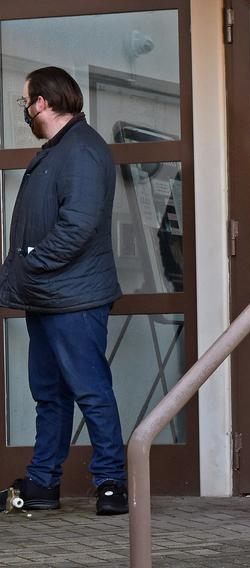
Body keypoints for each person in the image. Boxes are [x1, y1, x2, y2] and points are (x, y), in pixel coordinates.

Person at [0, 67, 126, 515]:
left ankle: (112, 483)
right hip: (49, 296)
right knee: (50, 394)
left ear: (43, 103)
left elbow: (78, 226)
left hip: (73, 298)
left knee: (91, 390)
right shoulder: (59, 149)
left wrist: (30, 263)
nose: (26, 112)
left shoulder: (82, 149)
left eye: (26, 102)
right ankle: (42, 483)